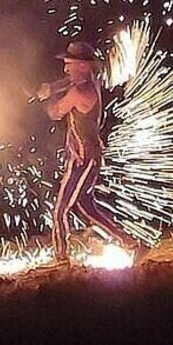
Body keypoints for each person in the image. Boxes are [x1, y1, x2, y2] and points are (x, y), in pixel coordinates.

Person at [36, 41, 138, 263]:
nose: (65, 69)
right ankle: (129, 242)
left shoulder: (80, 92)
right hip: (85, 157)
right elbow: (68, 82)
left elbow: (55, 112)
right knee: (86, 206)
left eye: (69, 64)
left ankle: (61, 257)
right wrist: (51, 87)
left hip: (85, 159)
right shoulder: (90, 82)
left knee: (61, 210)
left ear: (83, 66)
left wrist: (47, 96)